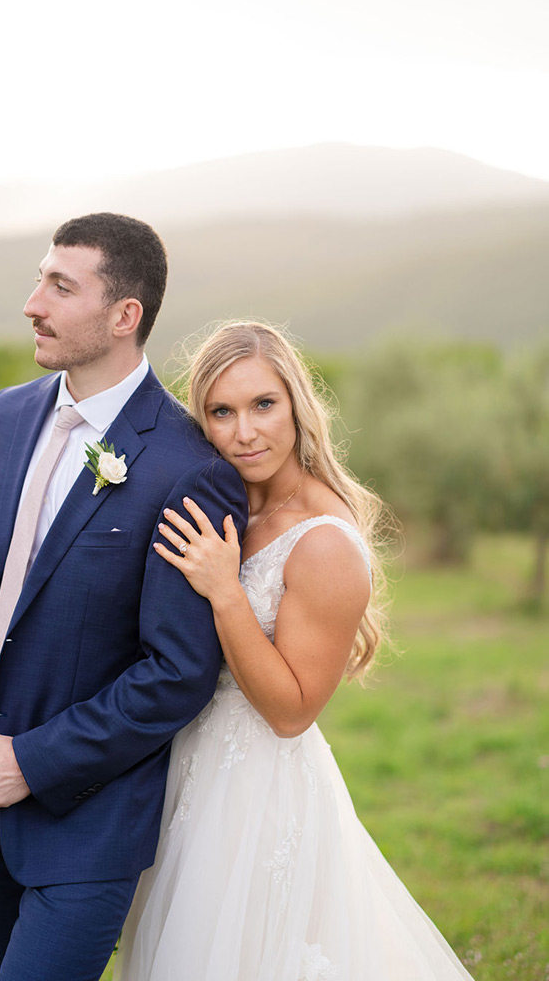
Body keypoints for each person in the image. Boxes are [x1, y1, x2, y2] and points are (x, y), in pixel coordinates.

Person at [0, 213, 248, 981]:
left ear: (123, 316)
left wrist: (32, 761)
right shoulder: (7, 414)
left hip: (88, 809)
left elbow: (175, 672)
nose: (32, 302)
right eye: (41, 277)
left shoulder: (187, 466)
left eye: (59, 285)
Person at [114, 321, 475, 980]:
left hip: (256, 791)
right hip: (183, 770)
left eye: (263, 405)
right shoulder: (222, 502)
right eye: (221, 411)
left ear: (297, 406)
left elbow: (292, 712)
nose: (244, 432)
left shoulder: (325, 542)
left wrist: (226, 592)